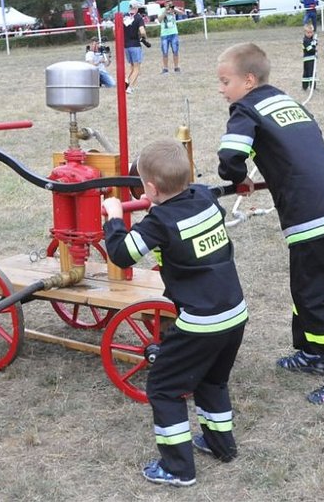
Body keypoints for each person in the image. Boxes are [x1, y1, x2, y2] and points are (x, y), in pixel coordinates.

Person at [216, 43, 324, 406]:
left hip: (309, 214)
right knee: (308, 289)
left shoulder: (245, 108)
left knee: (315, 296)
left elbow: (231, 154)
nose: (221, 90)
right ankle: (314, 352)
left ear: (248, 80)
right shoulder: (287, 102)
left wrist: (236, 177)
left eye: (225, 82)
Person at [103, 139, 247, 487]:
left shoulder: (160, 222)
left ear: (151, 189)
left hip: (200, 321)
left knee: (164, 388)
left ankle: (178, 468)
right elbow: (195, 204)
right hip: (234, 312)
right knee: (212, 379)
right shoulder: (204, 198)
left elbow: (122, 254)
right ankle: (220, 444)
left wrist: (115, 218)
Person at [122, 0, 148, 94]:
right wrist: (144, 37)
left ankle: (126, 80)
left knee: (132, 66)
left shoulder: (124, 17)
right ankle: (130, 87)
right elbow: (142, 31)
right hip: (135, 45)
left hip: (126, 45)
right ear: (136, 8)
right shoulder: (138, 17)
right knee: (137, 68)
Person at [158, 0, 184, 74]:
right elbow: (159, 20)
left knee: (175, 51)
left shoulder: (173, 9)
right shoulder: (161, 10)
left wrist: (174, 9)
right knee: (165, 52)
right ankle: (165, 68)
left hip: (174, 33)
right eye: (167, 3)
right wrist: (165, 11)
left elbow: (182, 13)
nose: (169, 4)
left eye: (170, 3)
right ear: (164, 4)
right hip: (164, 34)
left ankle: (176, 67)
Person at [300, 23, 317, 90]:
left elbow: (314, 45)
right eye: (308, 33)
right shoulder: (305, 40)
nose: (310, 34)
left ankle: (313, 86)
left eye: (311, 32)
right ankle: (305, 86)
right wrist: (315, 49)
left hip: (312, 58)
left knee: (313, 72)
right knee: (308, 72)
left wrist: (315, 42)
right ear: (305, 32)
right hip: (308, 58)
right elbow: (310, 50)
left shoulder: (312, 39)